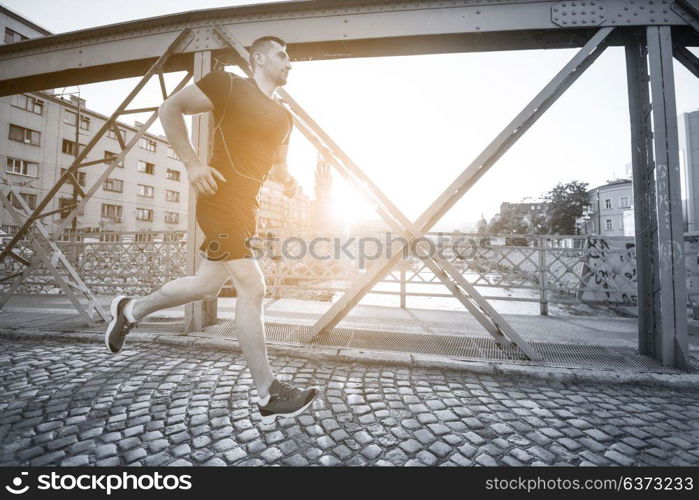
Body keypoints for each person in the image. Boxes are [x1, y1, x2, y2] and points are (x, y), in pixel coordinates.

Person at [104, 36, 317, 425]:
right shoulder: (228, 84)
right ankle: (269, 393)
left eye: (290, 58)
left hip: (246, 209)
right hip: (218, 200)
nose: (290, 63)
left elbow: (278, 169)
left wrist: (290, 184)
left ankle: (130, 310)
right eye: (282, 55)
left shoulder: (286, 118)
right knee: (254, 287)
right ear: (258, 58)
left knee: (205, 285)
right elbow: (171, 108)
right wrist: (191, 164)